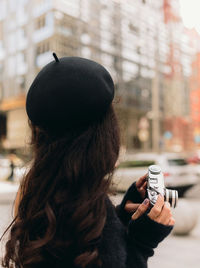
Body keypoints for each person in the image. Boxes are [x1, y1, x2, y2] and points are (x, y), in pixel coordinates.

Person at [2, 54, 174, 268]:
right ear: (101, 135)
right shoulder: (82, 199)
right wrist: (143, 241)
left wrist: (119, 216)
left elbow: (83, 241)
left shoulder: (39, 191)